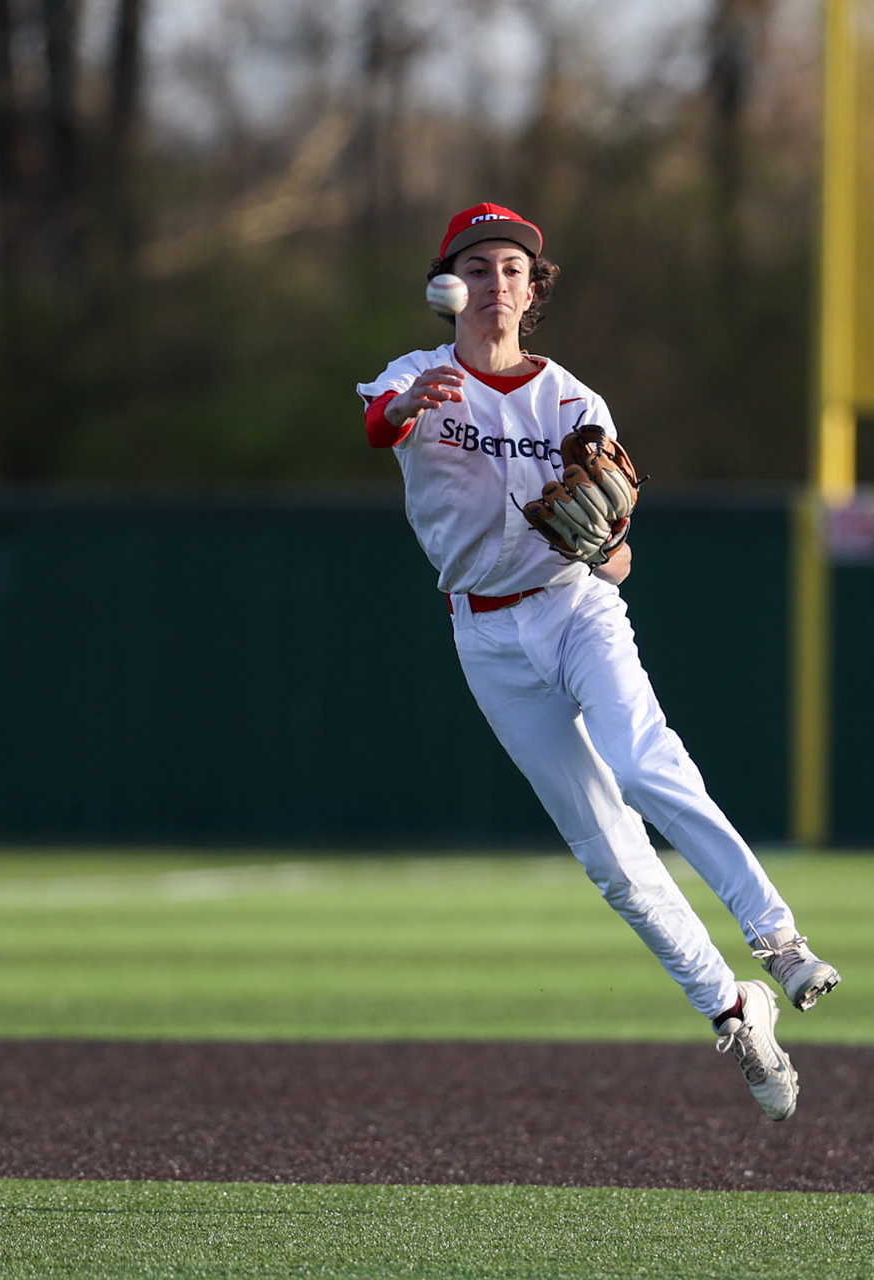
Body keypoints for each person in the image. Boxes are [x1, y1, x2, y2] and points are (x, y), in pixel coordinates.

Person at [355, 203, 840, 1121]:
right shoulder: (414, 378)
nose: (498, 282)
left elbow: (616, 551)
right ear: (447, 284)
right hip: (486, 634)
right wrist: (409, 409)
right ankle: (735, 1009)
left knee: (642, 761)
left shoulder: (575, 402)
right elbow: (381, 425)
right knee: (610, 857)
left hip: (574, 610)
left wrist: (606, 550)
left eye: (514, 269)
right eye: (481, 266)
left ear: (535, 290)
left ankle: (777, 938)